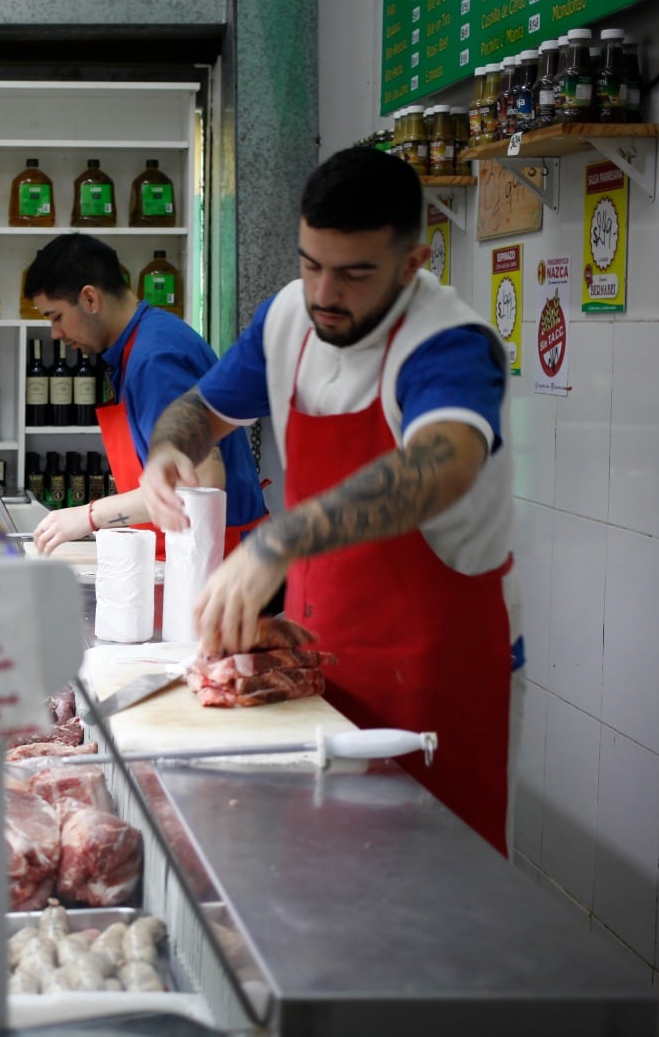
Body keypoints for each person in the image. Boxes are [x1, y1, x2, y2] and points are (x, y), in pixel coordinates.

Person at [140, 146, 514, 854]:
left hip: (429, 675)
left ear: (412, 263)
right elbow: (203, 406)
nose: (324, 293)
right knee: (315, 876)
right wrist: (169, 449)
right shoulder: (289, 317)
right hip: (312, 660)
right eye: (311, 263)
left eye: (353, 273)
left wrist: (277, 544)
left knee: (428, 890)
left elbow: (443, 464)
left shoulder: (450, 344)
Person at [23, 234, 268, 558]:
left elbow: (200, 482)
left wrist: (88, 516)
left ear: (90, 299)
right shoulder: (144, 341)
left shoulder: (155, 360)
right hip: (193, 551)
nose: (55, 333)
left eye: (56, 317)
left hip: (218, 561)